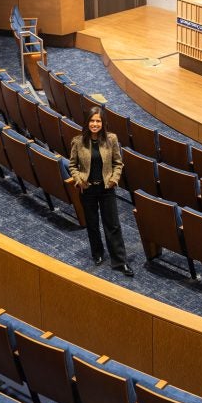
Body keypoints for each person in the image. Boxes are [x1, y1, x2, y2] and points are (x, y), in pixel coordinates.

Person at [68, 106, 134, 276]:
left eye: (98, 121)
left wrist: (114, 180)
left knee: (112, 225)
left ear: (103, 123)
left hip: (106, 188)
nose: (95, 124)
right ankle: (97, 254)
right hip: (87, 189)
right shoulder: (78, 141)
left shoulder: (111, 139)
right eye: (92, 121)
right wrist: (78, 180)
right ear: (87, 122)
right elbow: (72, 165)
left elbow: (118, 163)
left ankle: (120, 261)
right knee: (92, 224)